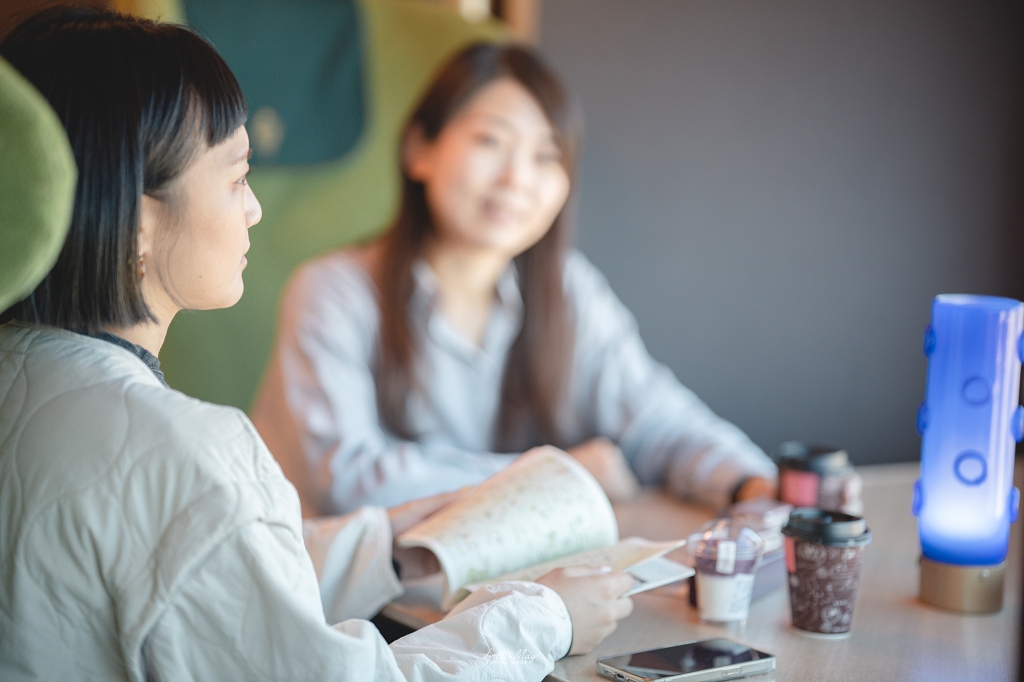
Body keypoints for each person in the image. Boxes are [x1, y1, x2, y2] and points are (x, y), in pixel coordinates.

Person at [0, 9, 633, 681]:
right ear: (136, 219)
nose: (254, 209)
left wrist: (385, 549)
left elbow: (203, 573)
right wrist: (541, 618)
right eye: (238, 177)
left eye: (545, 155)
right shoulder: (192, 451)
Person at [252, 42, 779, 518]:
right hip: (334, 601)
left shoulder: (567, 288)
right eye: (490, 141)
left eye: (546, 156)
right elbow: (350, 482)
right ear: (419, 149)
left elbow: (655, 417)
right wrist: (552, 477)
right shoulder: (332, 291)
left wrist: (753, 484)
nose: (516, 179)